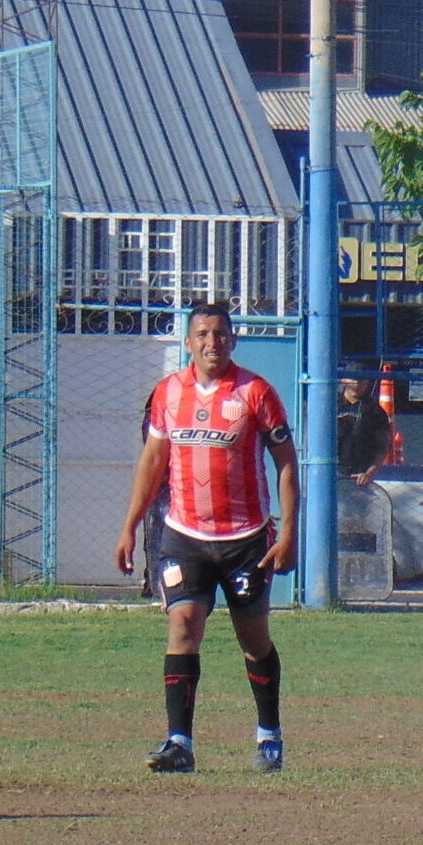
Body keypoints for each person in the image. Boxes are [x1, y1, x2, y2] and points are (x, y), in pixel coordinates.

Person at [111, 304, 298, 775]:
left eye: (219, 334)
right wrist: (129, 526)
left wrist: (289, 531)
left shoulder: (256, 392)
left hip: (246, 539)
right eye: (202, 334)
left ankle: (269, 734)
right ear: (189, 342)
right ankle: (179, 744)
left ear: (232, 340)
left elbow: (287, 463)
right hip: (184, 535)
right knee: (183, 627)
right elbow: (153, 462)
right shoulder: (168, 393)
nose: (211, 342)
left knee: (253, 640)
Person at [335, 375, 393, 486]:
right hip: (333, 472)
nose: (357, 384)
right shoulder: (331, 405)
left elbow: (382, 448)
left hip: (360, 475)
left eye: (362, 381)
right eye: (353, 379)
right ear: (343, 380)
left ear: (367, 383)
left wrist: (369, 474)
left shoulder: (375, 411)